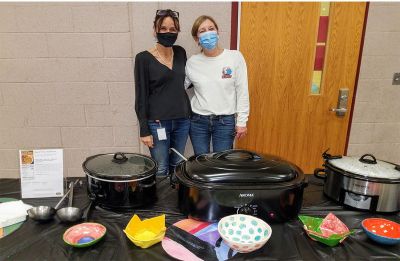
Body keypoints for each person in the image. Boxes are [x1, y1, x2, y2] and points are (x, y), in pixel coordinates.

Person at [134, 9, 191, 176]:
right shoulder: (143, 58)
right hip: (158, 123)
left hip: (182, 120)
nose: (168, 32)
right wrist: (144, 129)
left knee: (178, 166)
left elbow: (187, 82)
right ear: (155, 30)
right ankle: (162, 203)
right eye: (163, 28)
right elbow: (141, 95)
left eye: (172, 29)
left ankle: (177, 201)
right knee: (161, 169)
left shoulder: (180, 53)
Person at [185, 15, 250, 155]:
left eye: (211, 28)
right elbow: (179, 87)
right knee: (201, 163)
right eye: (202, 31)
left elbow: (242, 91)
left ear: (217, 32)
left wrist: (242, 121)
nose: (208, 33)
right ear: (197, 39)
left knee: (221, 164)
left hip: (225, 122)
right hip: (198, 121)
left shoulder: (235, 57)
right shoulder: (192, 62)